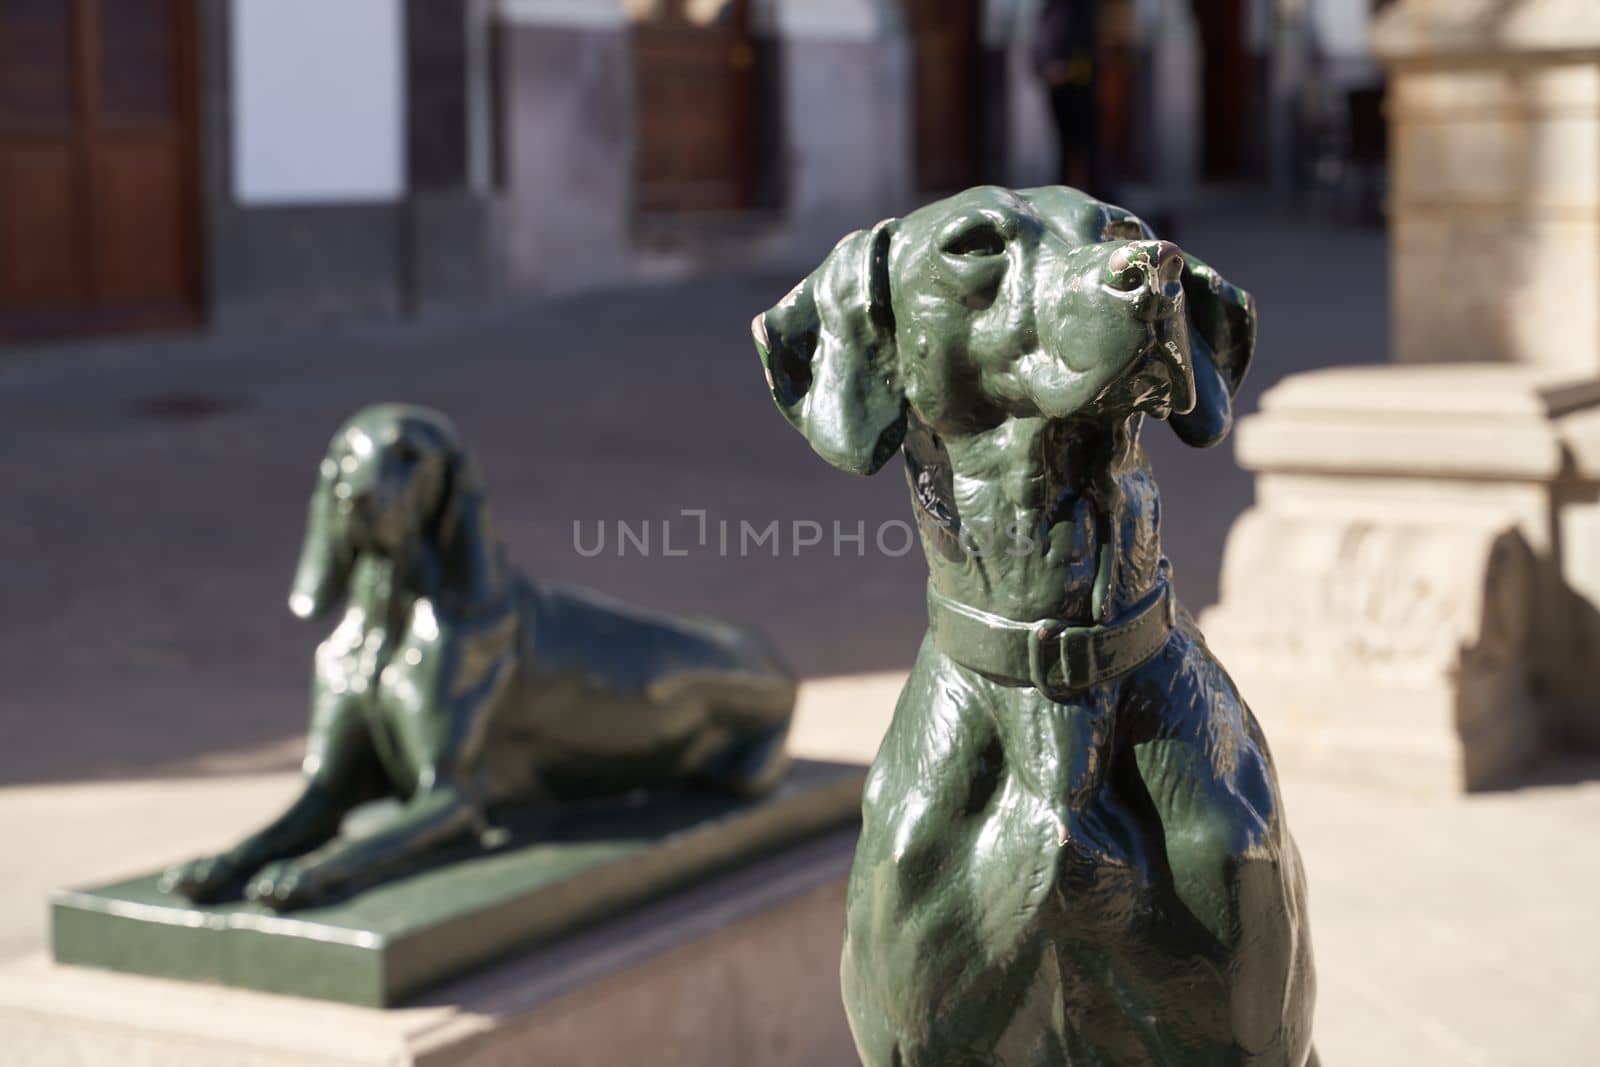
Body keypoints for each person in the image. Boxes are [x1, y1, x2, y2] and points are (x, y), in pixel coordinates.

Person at [1033, 0, 1100, 192]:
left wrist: (1070, 71)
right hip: (1061, 85)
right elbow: (1042, 40)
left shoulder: (1080, 8)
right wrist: (1046, 68)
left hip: (1079, 85)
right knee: (1064, 142)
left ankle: (1088, 190)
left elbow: (1085, 45)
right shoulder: (1054, 8)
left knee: (1084, 143)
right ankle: (1063, 190)